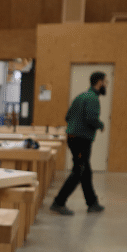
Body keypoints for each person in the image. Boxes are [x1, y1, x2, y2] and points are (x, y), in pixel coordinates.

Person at [50, 72, 107, 215]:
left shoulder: (80, 96)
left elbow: (67, 116)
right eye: (106, 82)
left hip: (72, 137)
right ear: (99, 82)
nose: (106, 85)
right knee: (79, 171)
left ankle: (92, 203)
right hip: (82, 139)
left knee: (85, 171)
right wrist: (100, 125)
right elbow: (91, 118)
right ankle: (59, 202)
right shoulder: (93, 98)